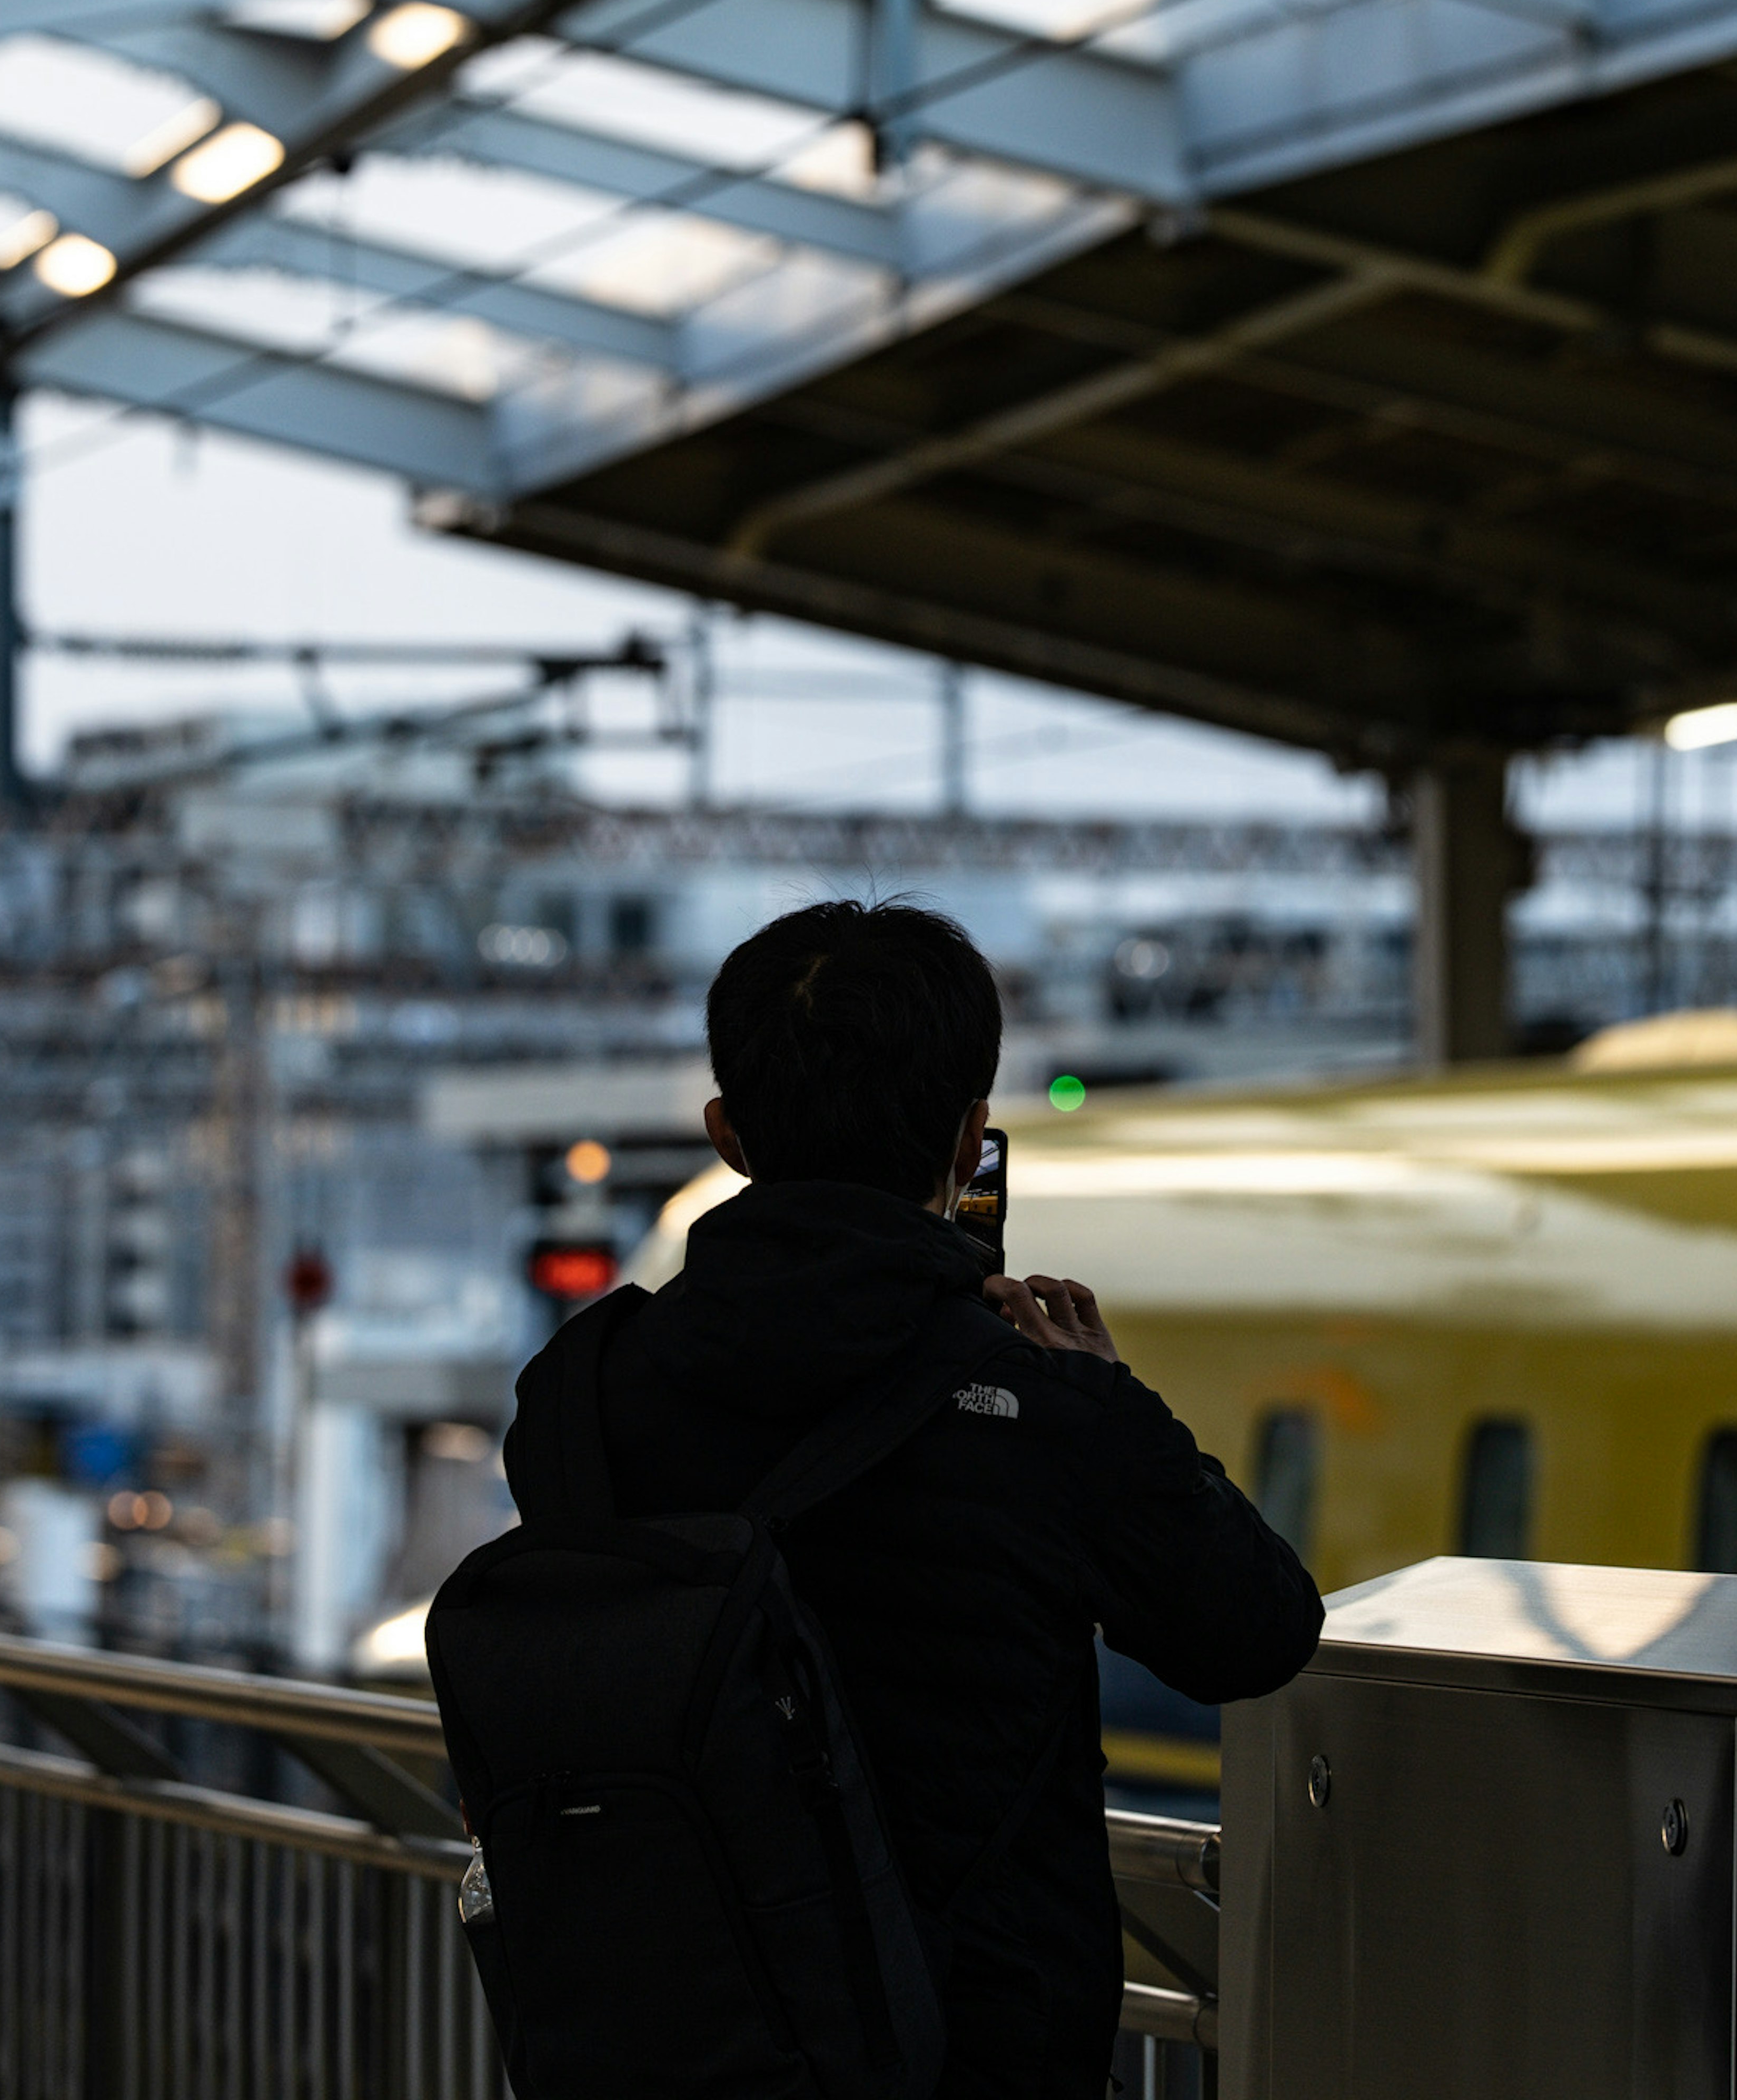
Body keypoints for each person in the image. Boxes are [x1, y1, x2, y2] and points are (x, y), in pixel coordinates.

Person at [503, 899, 1322, 2099]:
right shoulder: (1040, 1405)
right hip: (969, 2048)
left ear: (728, 1134)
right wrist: (1111, 1398)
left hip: (671, 2040)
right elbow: (1259, 1628)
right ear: (968, 1140)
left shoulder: (577, 1395)